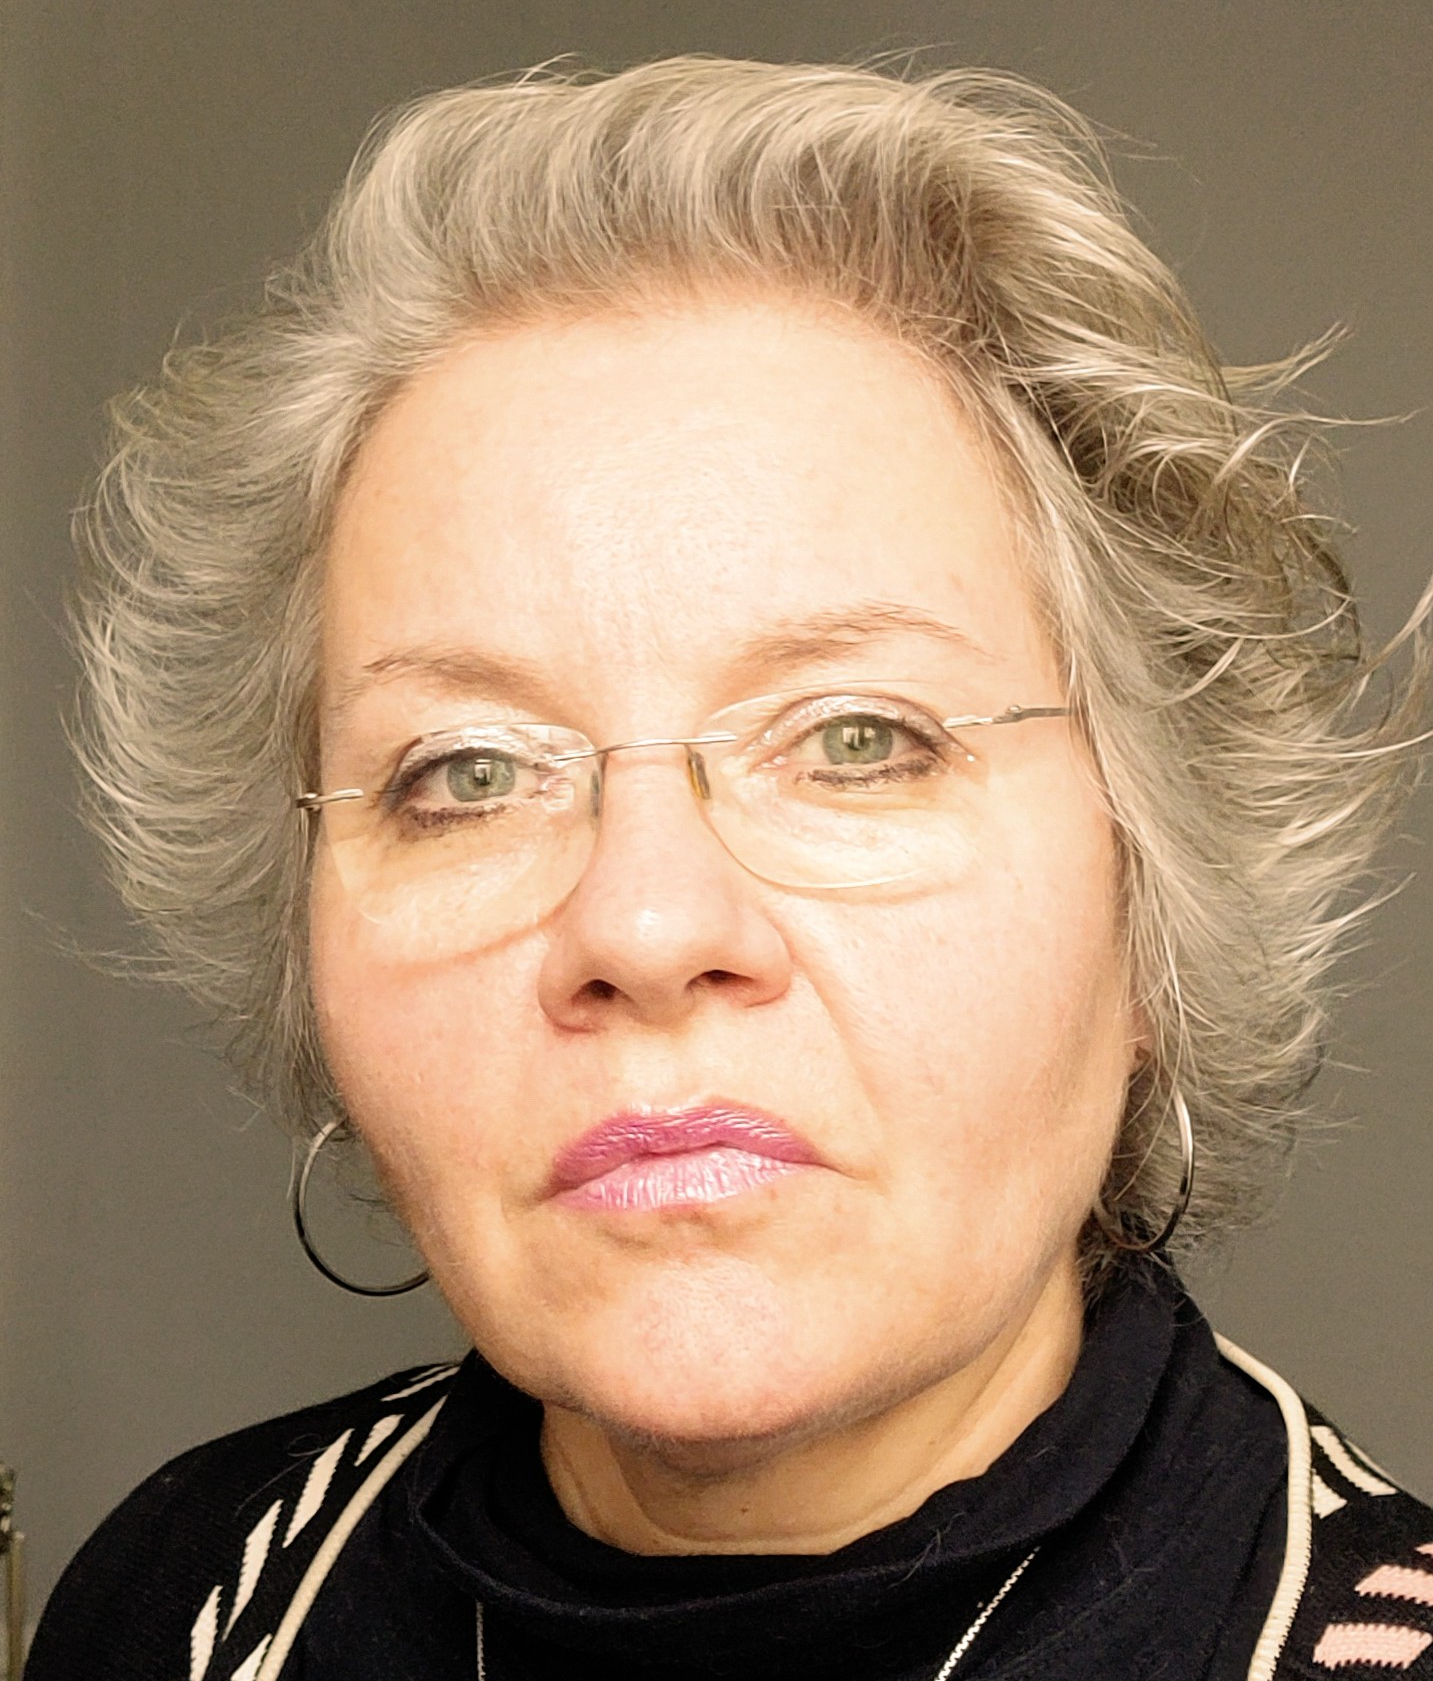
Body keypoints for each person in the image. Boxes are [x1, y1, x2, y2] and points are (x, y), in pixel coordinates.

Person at [26, 55, 1433, 1681]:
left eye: (856, 738)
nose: (642, 923)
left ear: (1154, 895)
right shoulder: (183, 1604)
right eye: (467, 773)